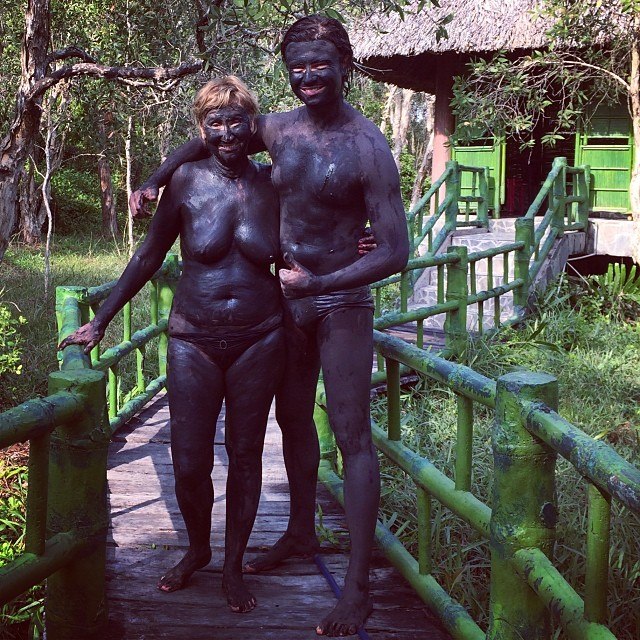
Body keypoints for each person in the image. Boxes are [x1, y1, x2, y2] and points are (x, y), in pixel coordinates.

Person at [130, 15, 410, 637]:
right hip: (287, 302)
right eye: (298, 65)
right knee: (292, 421)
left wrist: (323, 284)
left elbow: (396, 251)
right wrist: (154, 179)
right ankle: (300, 530)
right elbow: (211, 138)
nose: (309, 75)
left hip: (338, 301)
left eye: (321, 63)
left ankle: (357, 590)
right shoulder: (278, 129)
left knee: (352, 435)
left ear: (345, 65)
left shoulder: (367, 146)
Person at [59, 76, 286, 614]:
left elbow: (313, 235)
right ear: (201, 129)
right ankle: (198, 550)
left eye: (236, 122)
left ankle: (233, 566)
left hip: (260, 336)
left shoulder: (275, 182)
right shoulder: (185, 181)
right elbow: (148, 255)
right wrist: (100, 322)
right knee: (187, 459)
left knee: (246, 454)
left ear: (252, 126)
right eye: (215, 123)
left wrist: (356, 241)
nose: (226, 134)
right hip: (192, 338)